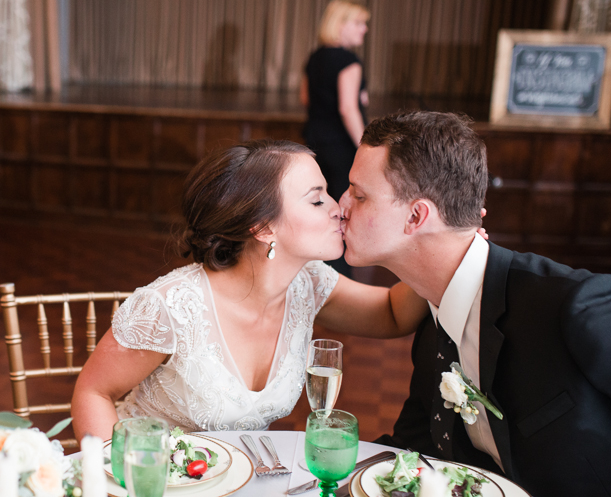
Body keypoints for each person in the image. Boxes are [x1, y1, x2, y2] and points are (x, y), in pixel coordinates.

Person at [340, 110, 611, 497]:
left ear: (416, 216)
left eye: (359, 195)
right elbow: (413, 451)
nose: (340, 205)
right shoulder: (434, 319)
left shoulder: (579, 309)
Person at [71, 139, 431, 441]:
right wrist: (131, 487)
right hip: (157, 488)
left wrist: (437, 246)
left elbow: (392, 314)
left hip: (233, 488)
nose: (339, 209)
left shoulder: (309, 283)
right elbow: (93, 393)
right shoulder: (172, 307)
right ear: (263, 228)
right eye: (317, 199)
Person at [300, 0, 370, 277]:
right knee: (340, 213)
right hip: (341, 149)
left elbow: (305, 98)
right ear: (340, 25)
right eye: (358, 23)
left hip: (313, 143)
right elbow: (347, 108)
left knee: (316, 206)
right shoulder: (348, 61)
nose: (364, 29)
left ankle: (312, 271)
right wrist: (367, 148)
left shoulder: (314, 58)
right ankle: (336, 279)